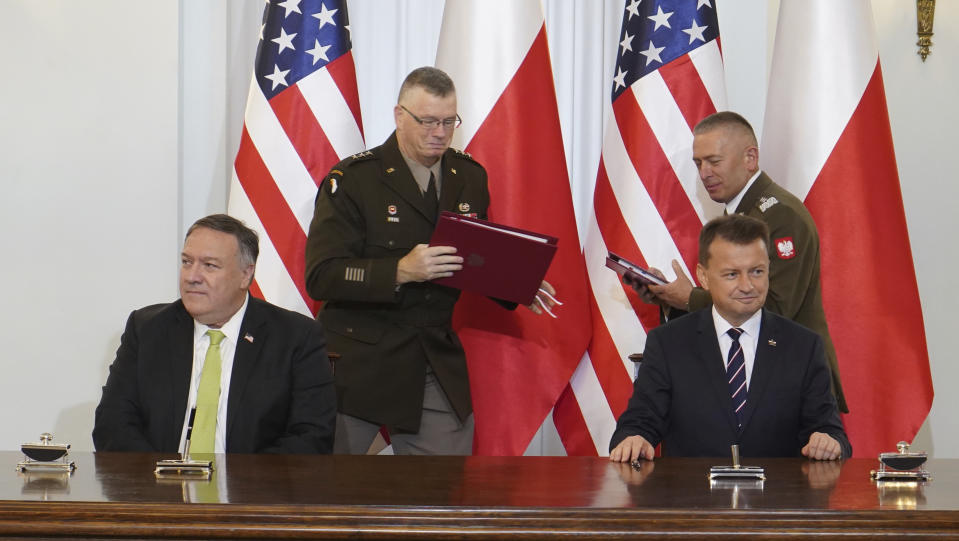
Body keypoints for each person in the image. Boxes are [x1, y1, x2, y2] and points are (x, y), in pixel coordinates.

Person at [304, 66, 556, 455]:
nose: (439, 132)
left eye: (448, 121)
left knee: (442, 498)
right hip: (361, 357)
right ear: (399, 116)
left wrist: (519, 281)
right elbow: (322, 275)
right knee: (336, 494)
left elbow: (476, 256)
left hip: (431, 353)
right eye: (427, 121)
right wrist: (400, 271)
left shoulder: (468, 176)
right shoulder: (354, 179)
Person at [627, 111, 847, 412]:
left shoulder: (779, 216)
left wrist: (689, 299)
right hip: (755, 380)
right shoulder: (742, 213)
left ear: (750, 158)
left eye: (714, 161)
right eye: (698, 163)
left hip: (792, 385)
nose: (704, 173)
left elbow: (775, 310)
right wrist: (670, 297)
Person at [610, 214, 851, 462]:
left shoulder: (803, 346)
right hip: (693, 497)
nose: (748, 286)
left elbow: (831, 432)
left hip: (778, 497)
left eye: (757, 271)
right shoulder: (668, 343)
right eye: (732, 274)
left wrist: (827, 441)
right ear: (703, 277)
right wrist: (635, 438)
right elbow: (639, 422)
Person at [93, 214, 335, 454]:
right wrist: (160, 480)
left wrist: (239, 484)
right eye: (187, 262)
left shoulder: (295, 337)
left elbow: (312, 437)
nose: (191, 277)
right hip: (158, 486)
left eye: (209, 265)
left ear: (245, 274)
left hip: (252, 489)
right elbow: (113, 423)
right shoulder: (147, 329)